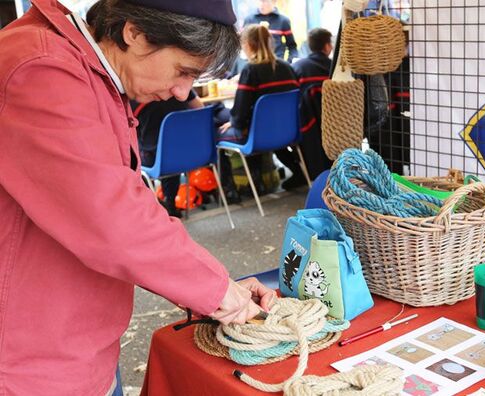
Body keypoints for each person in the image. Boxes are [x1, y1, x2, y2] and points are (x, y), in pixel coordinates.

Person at [0, 1, 275, 394]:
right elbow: (113, 219)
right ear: (135, 33)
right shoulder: (40, 68)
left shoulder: (89, 72)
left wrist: (215, 286)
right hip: (30, 364)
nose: (183, 93)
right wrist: (216, 290)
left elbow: (128, 206)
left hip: (80, 342)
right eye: (183, 72)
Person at [219, 24, 299, 191]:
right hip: (287, 132)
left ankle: (233, 190)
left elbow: (241, 110)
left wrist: (234, 122)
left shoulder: (250, 70)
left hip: (259, 136)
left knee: (218, 133)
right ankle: (299, 173)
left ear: (248, 44)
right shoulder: (287, 67)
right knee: (263, 131)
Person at [278, 27, 334, 188]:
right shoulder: (335, 69)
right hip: (336, 126)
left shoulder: (298, 68)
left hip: (306, 127)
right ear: (327, 46)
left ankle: (300, 173)